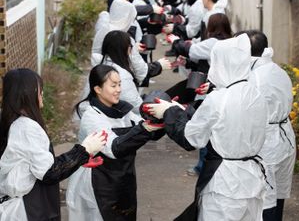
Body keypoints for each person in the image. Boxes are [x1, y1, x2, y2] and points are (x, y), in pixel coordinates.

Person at [146, 34, 268, 220]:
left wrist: (169, 111)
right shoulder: (256, 93)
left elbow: (190, 138)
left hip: (224, 184)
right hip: (252, 179)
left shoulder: (218, 98)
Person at [0, 68, 106, 220]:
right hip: (27, 209)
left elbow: (32, 162)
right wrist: (84, 150)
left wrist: (77, 160)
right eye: (39, 90)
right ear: (27, 93)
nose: (42, 94)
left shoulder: (8, 120)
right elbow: (50, 172)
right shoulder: (26, 127)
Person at [67, 64, 164, 221]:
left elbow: (147, 131)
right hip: (98, 183)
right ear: (97, 89)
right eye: (113, 85)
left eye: (119, 84)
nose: (119, 89)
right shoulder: (92, 117)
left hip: (123, 179)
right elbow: (114, 148)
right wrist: (144, 129)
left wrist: (165, 117)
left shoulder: (122, 111)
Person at [243, 30, 296, 221]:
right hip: (285, 136)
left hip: (267, 142)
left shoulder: (254, 77)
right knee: (278, 196)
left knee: (265, 201)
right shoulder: (277, 70)